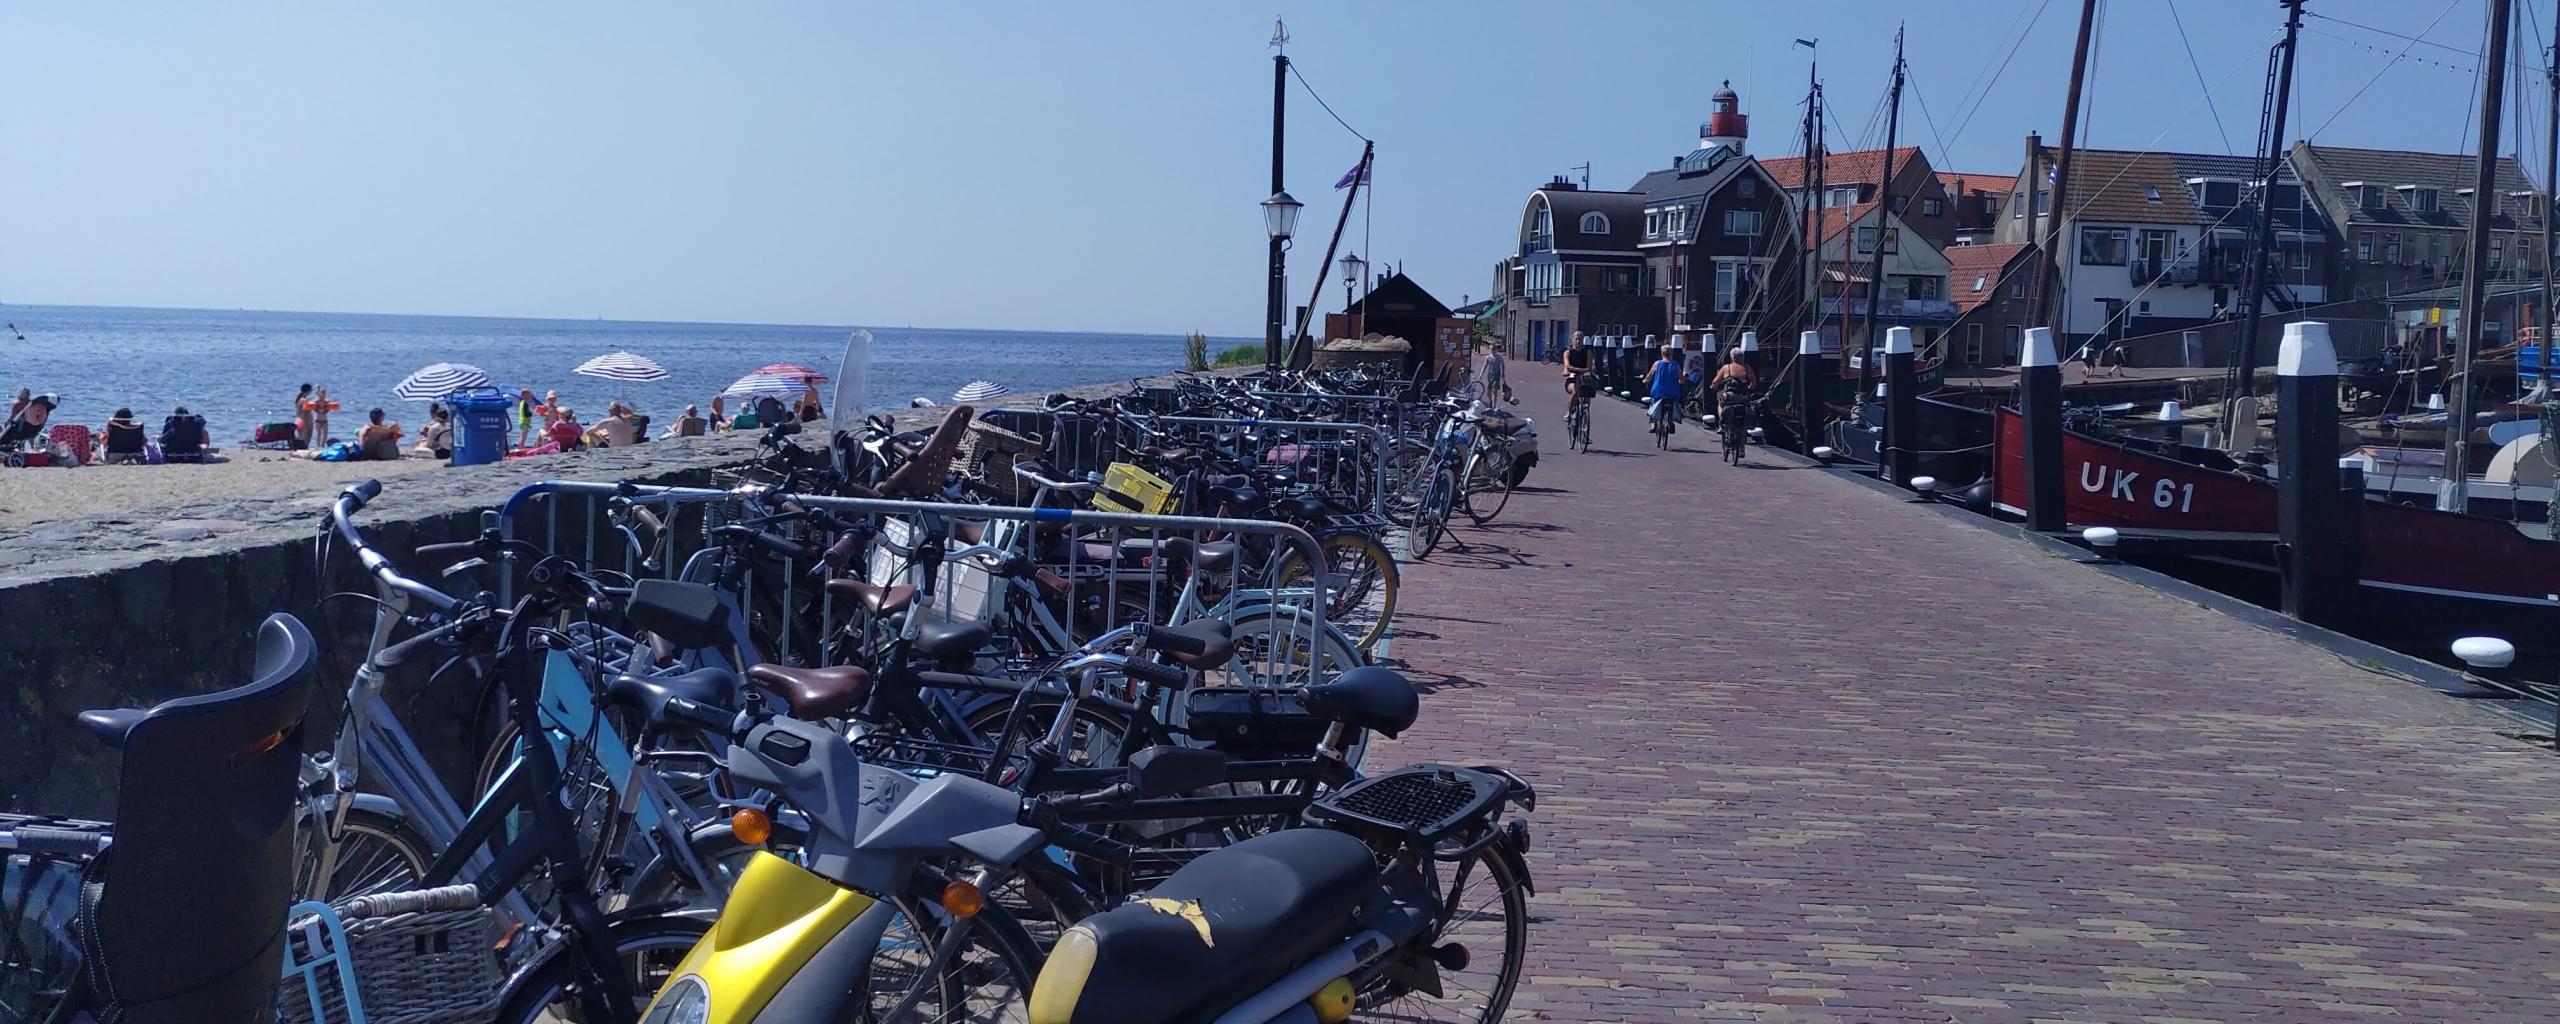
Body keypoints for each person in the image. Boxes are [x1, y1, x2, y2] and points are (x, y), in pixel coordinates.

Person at [1644, 346, 1684, 431]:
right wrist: (1681, 381)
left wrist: (1645, 380)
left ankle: (1654, 424)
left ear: (1662, 353)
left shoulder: (1657, 364)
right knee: (1674, 403)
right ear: (1671, 353)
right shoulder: (1676, 365)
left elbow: (1649, 376)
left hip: (1658, 392)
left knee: (1653, 403)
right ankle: (1671, 421)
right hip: (1673, 392)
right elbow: (1681, 379)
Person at [1561, 332, 1595, 406]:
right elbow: (1567, 366)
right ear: (1572, 340)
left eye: (1580, 339)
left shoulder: (1588, 352)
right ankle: (1569, 412)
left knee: (1587, 393)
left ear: (1583, 341)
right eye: (1576, 339)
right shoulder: (1568, 353)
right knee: (1575, 392)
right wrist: (1568, 371)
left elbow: (1589, 368)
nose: (1578, 341)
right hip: (1572, 380)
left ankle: (1585, 413)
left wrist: (1574, 369)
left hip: (1584, 380)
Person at [292, 383, 315, 449]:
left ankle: (300, 448)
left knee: (301, 436)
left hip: (298, 419)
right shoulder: (304, 400)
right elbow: (305, 412)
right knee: (307, 435)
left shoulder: (298, 399)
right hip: (305, 419)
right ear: (308, 391)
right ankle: (305, 448)